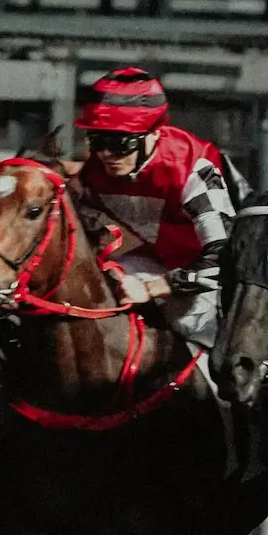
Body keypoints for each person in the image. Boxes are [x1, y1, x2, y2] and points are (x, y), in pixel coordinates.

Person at [70, 67, 242, 347]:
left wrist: (151, 290)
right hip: (160, 260)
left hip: (216, 275)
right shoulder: (95, 172)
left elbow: (223, 262)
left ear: (155, 133)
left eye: (119, 143)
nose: (105, 155)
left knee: (190, 322)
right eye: (97, 141)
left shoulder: (193, 168)